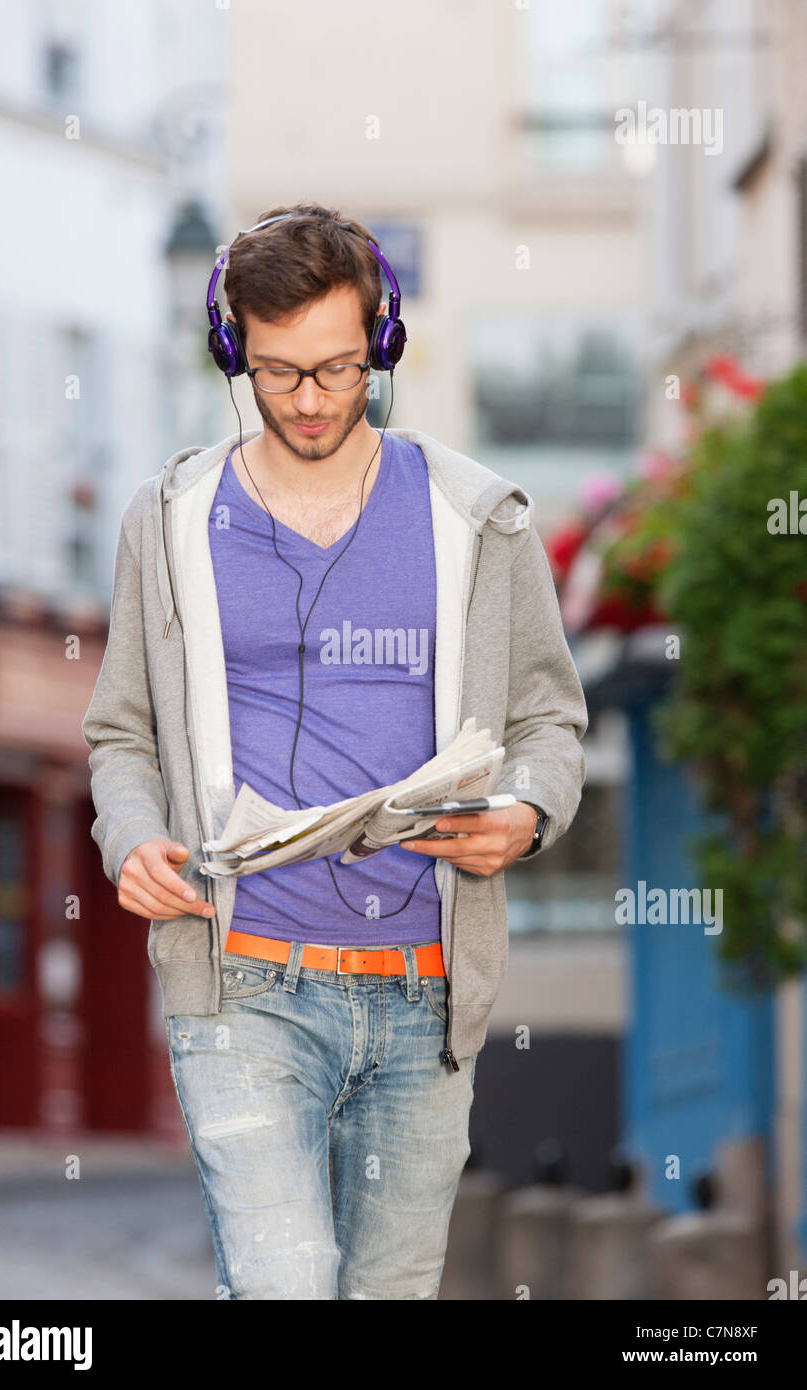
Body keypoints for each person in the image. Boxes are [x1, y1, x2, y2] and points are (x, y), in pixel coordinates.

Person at [81, 201, 588, 1300]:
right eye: (275, 374)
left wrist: (525, 811)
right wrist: (131, 834)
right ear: (231, 355)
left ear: (383, 344)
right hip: (244, 984)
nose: (309, 402)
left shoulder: (476, 518)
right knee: (286, 1283)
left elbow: (549, 719)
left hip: (422, 992)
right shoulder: (168, 518)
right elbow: (122, 731)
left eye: (337, 368)